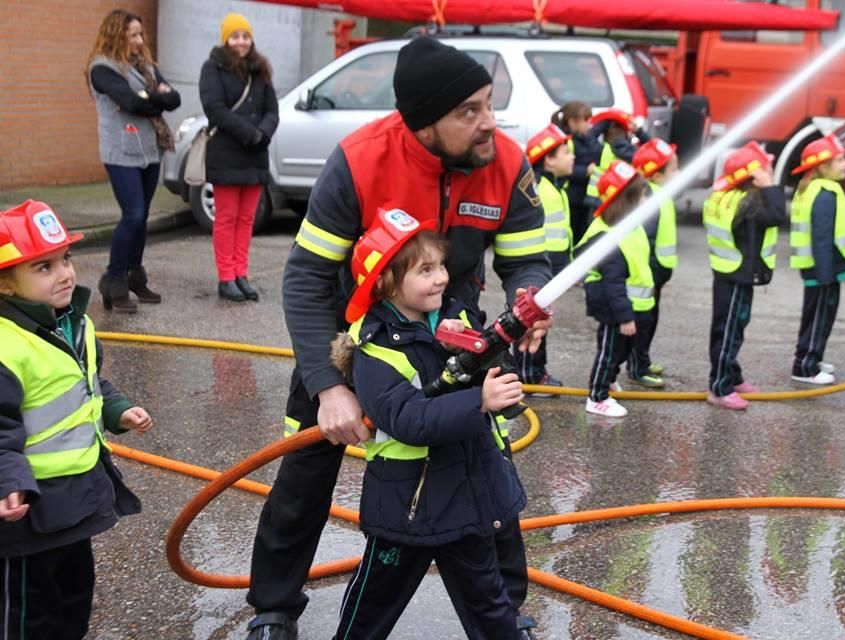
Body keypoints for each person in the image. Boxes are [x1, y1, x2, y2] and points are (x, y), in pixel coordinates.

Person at [244, 37, 551, 640]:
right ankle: (274, 607)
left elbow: (528, 262)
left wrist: (530, 300)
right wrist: (328, 384)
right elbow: (306, 280)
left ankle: (505, 604)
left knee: (484, 461)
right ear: (422, 123)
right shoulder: (360, 161)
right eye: (469, 111)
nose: (489, 122)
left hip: (451, 332)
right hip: (353, 335)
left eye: (489, 102)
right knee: (305, 470)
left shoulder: (507, 163)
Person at [329, 208, 526, 639]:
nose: (440, 277)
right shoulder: (375, 350)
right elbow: (409, 419)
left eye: (440, 266)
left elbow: (503, 372)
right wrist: (480, 400)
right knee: (372, 606)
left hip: (468, 497)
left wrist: (482, 353)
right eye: (425, 270)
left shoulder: (455, 317)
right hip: (408, 508)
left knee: (492, 607)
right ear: (386, 283)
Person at [0, 201, 152, 640]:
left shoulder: (74, 324)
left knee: (73, 603)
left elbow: (87, 382)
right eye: (43, 267)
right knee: (30, 616)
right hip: (27, 511)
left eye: (65, 258)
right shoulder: (7, 347)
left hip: (75, 499)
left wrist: (117, 408)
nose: (65, 273)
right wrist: (8, 480)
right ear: (7, 284)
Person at [87, 9, 180, 313]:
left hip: (150, 151)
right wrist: (155, 96)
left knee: (142, 218)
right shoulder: (102, 68)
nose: (140, 41)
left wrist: (149, 96)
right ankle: (113, 279)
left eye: (141, 34)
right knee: (133, 214)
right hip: (121, 153)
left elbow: (174, 98)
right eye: (133, 35)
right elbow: (130, 102)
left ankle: (134, 275)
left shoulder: (146, 67)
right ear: (117, 36)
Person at [199, 13, 279, 302]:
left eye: (245, 36)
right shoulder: (212, 68)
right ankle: (226, 277)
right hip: (227, 152)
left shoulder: (260, 69)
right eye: (235, 36)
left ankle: (242, 274)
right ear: (226, 39)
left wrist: (263, 133)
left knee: (247, 219)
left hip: (255, 155)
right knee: (226, 218)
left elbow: (273, 109)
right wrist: (250, 134)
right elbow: (214, 108)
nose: (241, 42)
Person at [704, 142, 786, 410]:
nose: (770, 170)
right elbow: (776, 215)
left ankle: (733, 376)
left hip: (728, 272)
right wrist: (771, 186)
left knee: (730, 329)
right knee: (729, 333)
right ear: (753, 176)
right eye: (766, 167)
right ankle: (720, 387)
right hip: (737, 274)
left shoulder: (725, 196)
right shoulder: (749, 203)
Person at [575, 160, 654, 418]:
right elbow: (613, 282)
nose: (646, 198)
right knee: (609, 351)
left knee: (622, 350)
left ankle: (608, 381)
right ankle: (597, 396)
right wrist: (625, 316)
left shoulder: (629, 226)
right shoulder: (609, 237)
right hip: (615, 308)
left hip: (628, 306)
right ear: (626, 201)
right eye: (641, 195)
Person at [788, 134, 845, 385]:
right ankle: (805, 366)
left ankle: (812, 357)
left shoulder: (810, 188)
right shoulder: (824, 193)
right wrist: (825, 274)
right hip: (823, 270)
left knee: (818, 316)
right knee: (819, 317)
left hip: (819, 268)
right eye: (840, 160)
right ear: (822, 166)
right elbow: (821, 237)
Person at [515, 123, 575, 392]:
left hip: (552, 265)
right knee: (533, 320)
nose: (572, 157)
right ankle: (529, 373)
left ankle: (535, 370)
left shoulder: (555, 188)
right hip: (542, 266)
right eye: (566, 152)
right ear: (548, 159)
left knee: (541, 320)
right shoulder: (541, 190)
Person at [627, 138, 680, 388]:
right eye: (673, 169)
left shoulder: (659, 192)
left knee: (650, 319)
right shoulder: (649, 197)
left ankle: (643, 359)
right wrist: (648, 272)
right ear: (656, 174)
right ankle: (637, 367)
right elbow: (644, 239)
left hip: (657, 272)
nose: (678, 173)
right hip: (650, 272)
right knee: (643, 321)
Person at [551, 101, 600, 244]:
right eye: (585, 120)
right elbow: (563, 170)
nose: (589, 124)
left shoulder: (585, 138)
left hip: (583, 197)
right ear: (572, 122)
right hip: (572, 196)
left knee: (581, 229)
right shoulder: (567, 142)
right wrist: (585, 171)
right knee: (573, 230)